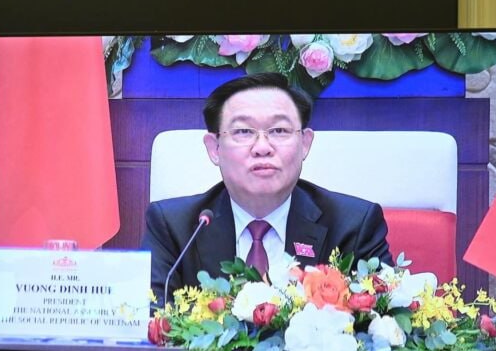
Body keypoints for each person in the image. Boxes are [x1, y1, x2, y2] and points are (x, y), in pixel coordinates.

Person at [143, 72, 392, 308]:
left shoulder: (354, 225)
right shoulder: (173, 227)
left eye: (279, 131)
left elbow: (385, 320)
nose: (262, 147)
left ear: (305, 143)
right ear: (214, 148)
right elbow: (151, 321)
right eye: (243, 131)